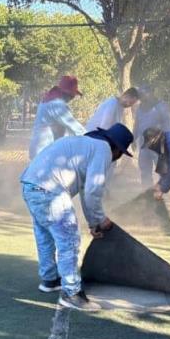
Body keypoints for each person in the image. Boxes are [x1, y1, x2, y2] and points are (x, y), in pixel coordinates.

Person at [20, 123, 135, 311]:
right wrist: (100, 219)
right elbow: (93, 189)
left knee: (45, 235)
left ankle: (49, 279)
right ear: (117, 149)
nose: (116, 159)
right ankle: (72, 293)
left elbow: (84, 190)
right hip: (50, 190)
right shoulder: (103, 149)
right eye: (120, 154)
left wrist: (93, 222)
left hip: (30, 185)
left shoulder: (86, 145)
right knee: (69, 240)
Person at [28, 75, 86, 159]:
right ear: (67, 93)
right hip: (44, 152)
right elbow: (75, 128)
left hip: (39, 149)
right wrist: (94, 138)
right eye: (72, 95)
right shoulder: (56, 104)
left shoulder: (48, 99)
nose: (72, 98)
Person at [132, 85, 170, 188]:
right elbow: (137, 124)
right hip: (143, 145)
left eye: (143, 94)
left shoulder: (161, 106)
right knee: (145, 172)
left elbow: (168, 124)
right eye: (140, 95)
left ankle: (162, 193)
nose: (141, 97)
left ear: (151, 93)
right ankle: (148, 195)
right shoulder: (139, 108)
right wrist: (133, 139)